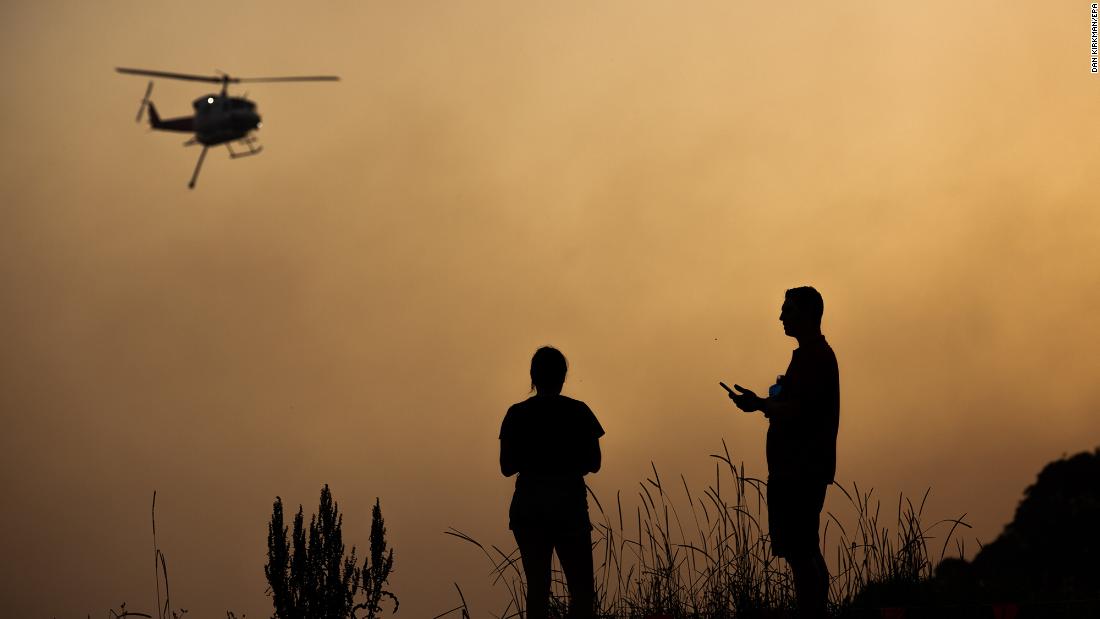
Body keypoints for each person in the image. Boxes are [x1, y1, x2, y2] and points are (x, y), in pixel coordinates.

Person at [726, 286, 839, 619]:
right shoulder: (809, 356)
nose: (781, 317)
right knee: (805, 550)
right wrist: (761, 403)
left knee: (801, 553)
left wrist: (761, 404)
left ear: (806, 314)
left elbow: (800, 410)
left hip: (800, 471)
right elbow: (793, 405)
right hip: (798, 469)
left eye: (787, 310)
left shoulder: (816, 358)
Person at [500, 346, 605, 619]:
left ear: (533, 376)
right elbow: (594, 463)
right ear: (563, 376)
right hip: (569, 507)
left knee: (537, 588)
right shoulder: (579, 412)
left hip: (529, 509)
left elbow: (506, 467)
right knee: (581, 590)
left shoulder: (516, 414)